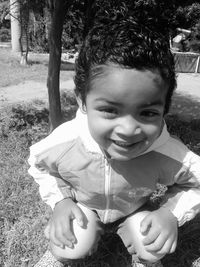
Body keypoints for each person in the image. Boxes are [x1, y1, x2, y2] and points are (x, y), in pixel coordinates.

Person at [28, 17, 200, 267]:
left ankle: (139, 250)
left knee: (152, 250)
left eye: (148, 113)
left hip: (133, 210)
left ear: (165, 109)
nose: (128, 130)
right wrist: (61, 202)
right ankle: (71, 247)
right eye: (110, 110)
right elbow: (39, 165)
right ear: (82, 101)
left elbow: (197, 182)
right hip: (85, 207)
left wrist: (169, 214)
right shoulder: (66, 141)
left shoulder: (167, 151)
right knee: (67, 246)